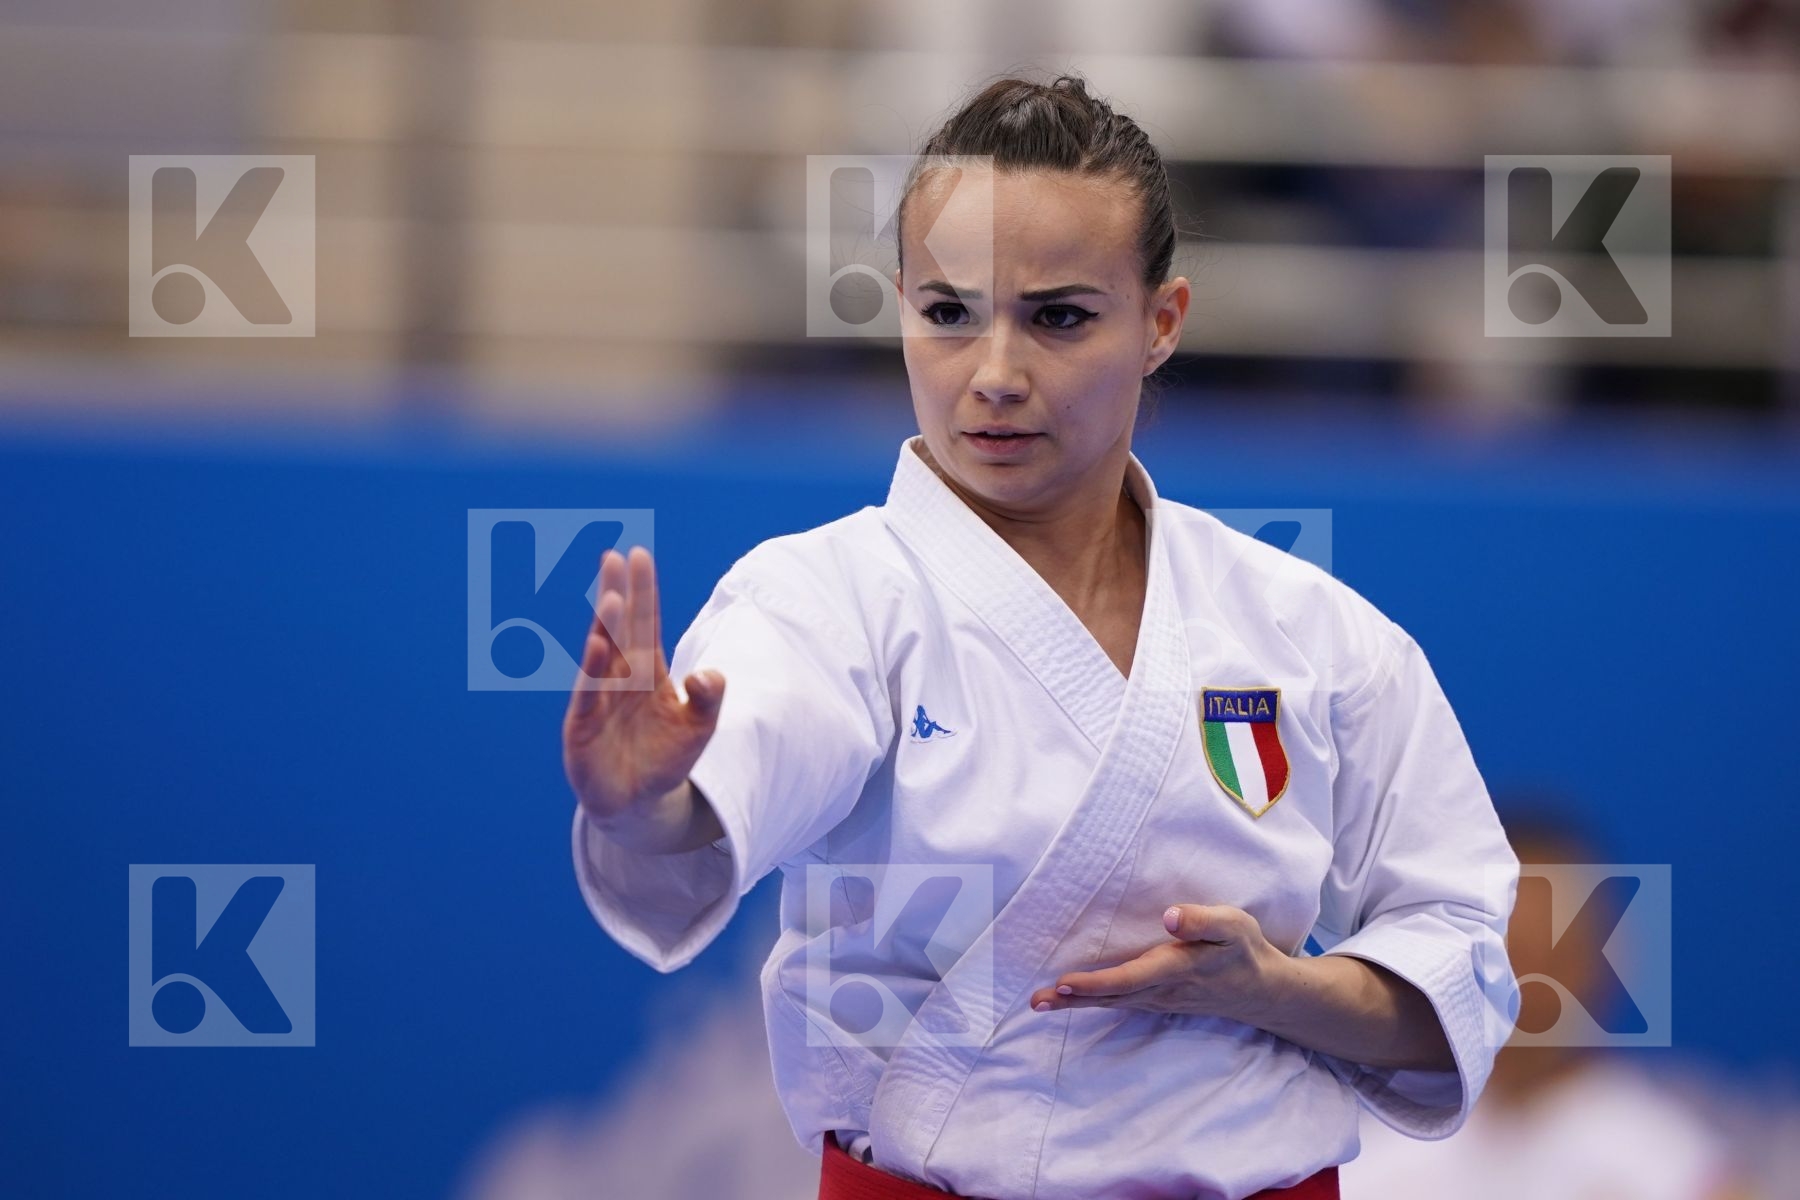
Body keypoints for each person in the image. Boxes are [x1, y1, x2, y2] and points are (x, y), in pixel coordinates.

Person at [562, 74, 1520, 1200]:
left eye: (1060, 316)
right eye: (948, 312)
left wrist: (1269, 987)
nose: (996, 375)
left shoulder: (1309, 632)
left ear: (1162, 322)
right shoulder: (827, 599)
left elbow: (1461, 958)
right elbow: (748, 757)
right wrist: (649, 803)